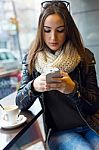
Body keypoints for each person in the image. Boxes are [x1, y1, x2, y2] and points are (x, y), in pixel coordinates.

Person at [16, 1, 99, 149]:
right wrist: (34, 86)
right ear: (40, 31)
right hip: (60, 133)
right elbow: (20, 102)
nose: (53, 37)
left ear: (68, 30)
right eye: (47, 30)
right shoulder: (32, 59)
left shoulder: (84, 56)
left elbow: (94, 105)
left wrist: (73, 90)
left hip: (91, 126)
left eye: (60, 30)